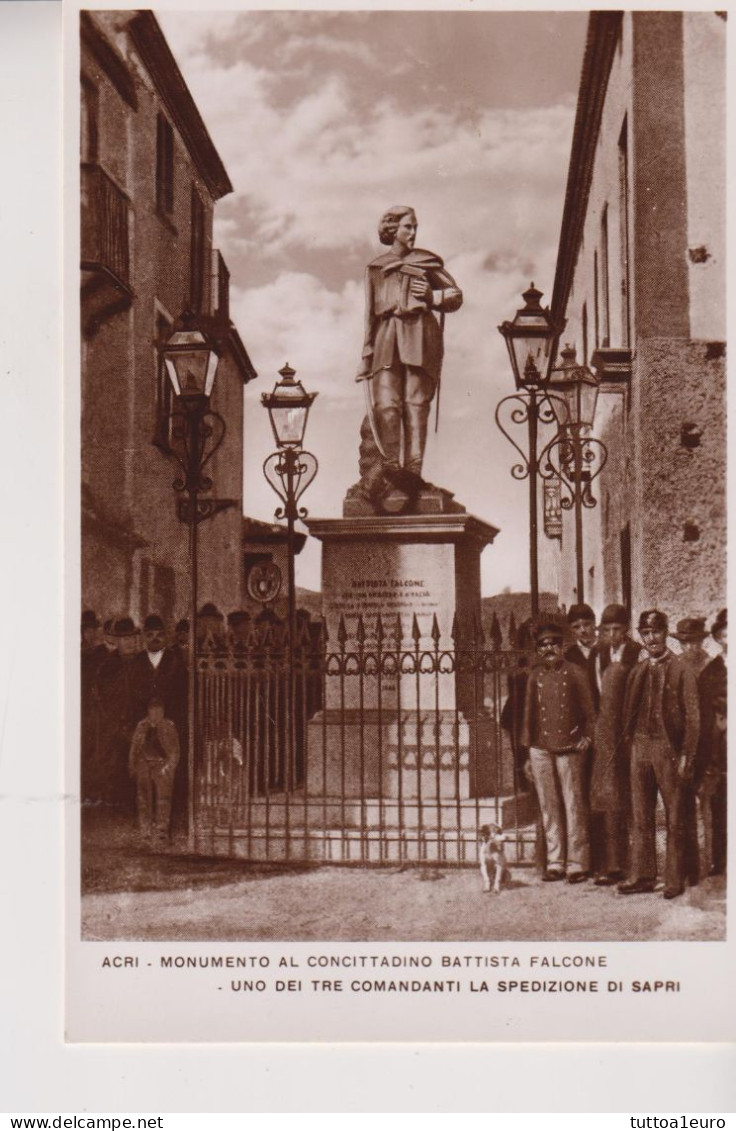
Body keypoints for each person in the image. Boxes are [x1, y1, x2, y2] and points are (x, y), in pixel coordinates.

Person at [355, 205, 462, 500]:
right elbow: (369, 316)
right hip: (386, 337)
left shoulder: (427, 263)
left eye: (415, 227)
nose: (413, 233)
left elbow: (455, 296)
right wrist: (366, 357)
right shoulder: (375, 268)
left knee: (416, 405)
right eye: (407, 227)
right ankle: (390, 470)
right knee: (387, 405)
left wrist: (432, 296)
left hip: (419, 333)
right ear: (392, 231)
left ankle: (412, 472)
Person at [618, 610, 700, 899]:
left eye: (656, 632)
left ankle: (674, 879)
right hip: (640, 747)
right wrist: (630, 744)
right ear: (641, 636)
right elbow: (628, 711)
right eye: (645, 633)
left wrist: (686, 757)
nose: (651, 638)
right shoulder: (638, 671)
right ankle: (643, 875)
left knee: (675, 815)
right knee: (641, 815)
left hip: (668, 749)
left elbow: (693, 718)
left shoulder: (681, 669)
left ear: (665, 633)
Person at [520, 621, 596, 883]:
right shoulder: (535, 676)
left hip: (569, 747)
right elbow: (528, 715)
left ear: (562, 646)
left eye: (554, 643)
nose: (549, 648)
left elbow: (590, 712)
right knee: (548, 807)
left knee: (573, 805)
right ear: (538, 650)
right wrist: (528, 753)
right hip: (540, 748)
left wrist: (587, 736)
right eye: (543, 644)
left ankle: (577, 863)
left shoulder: (576, 672)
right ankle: (555, 861)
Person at [589, 604, 641, 885]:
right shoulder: (598, 654)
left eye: (617, 629)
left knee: (634, 797)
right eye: (607, 630)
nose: (612, 635)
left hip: (630, 733)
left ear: (626, 629)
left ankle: (638, 866)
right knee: (609, 798)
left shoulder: (636, 653)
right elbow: (592, 696)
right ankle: (613, 864)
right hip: (604, 734)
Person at [696, 609, 727, 877]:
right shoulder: (712, 671)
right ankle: (720, 859)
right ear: (719, 637)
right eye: (727, 633)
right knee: (719, 801)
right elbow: (705, 714)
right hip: (721, 746)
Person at [128, 697, 180, 848]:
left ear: (163, 712)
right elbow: (134, 747)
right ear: (148, 711)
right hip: (144, 766)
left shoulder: (169, 726)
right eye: (153, 710)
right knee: (143, 799)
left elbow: (175, 750)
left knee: (163, 799)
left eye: (159, 710)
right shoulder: (142, 726)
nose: (156, 713)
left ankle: (162, 833)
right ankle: (145, 833)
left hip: (162, 766)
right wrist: (133, 766)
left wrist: (169, 767)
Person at [564, 603, 599, 707]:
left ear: (594, 623)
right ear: (571, 630)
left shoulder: (608, 649)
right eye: (576, 627)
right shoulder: (569, 657)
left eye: (587, 624)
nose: (582, 630)